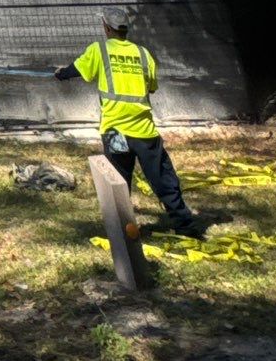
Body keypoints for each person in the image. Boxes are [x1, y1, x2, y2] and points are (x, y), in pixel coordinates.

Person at [55, 14, 208, 237]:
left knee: (118, 180)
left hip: (115, 131)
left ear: (106, 27)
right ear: (126, 29)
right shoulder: (144, 54)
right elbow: (152, 87)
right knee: (163, 178)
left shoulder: (100, 50)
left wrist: (60, 74)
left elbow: (76, 69)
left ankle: (121, 229)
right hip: (144, 131)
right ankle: (184, 225)